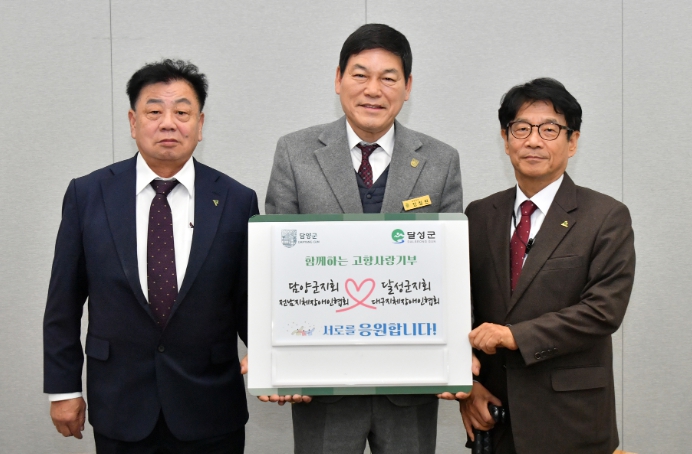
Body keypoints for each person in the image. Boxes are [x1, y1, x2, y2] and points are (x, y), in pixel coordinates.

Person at [263, 23, 463, 454]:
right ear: (338, 79)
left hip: (411, 383)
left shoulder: (441, 160)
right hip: (322, 385)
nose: (374, 90)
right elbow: (275, 269)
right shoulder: (295, 153)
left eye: (388, 77)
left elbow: (450, 273)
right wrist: (275, 359)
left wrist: (453, 362)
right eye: (360, 75)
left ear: (408, 87)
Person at [43, 59, 258, 453]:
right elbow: (63, 302)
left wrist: (274, 359)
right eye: (154, 112)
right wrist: (63, 388)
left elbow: (250, 300)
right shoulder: (88, 195)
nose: (168, 123)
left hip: (210, 406)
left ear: (200, 124)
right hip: (120, 404)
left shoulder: (236, 199)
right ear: (133, 122)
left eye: (182, 113)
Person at [461, 77, 635, 453]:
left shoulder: (605, 216)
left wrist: (515, 336)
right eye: (521, 128)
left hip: (572, 421)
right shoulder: (478, 215)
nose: (534, 140)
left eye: (550, 129)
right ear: (505, 139)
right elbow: (459, 309)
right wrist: (467, 386)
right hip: (497, 419)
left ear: (572, 141)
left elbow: (603, 311)